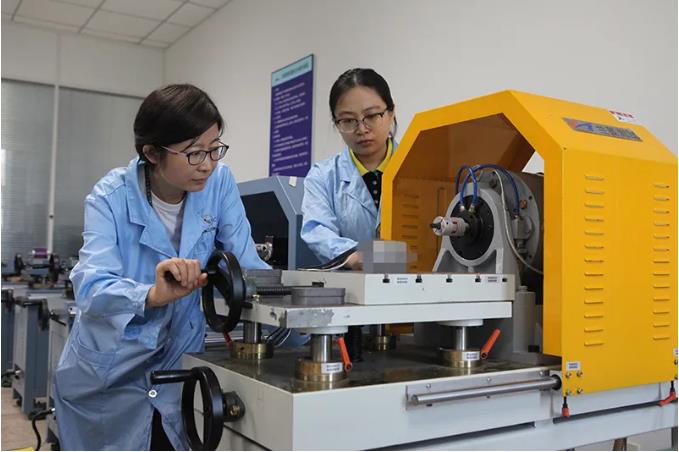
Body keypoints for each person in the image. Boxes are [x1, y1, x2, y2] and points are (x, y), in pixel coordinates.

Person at [53, 84, 268, 450]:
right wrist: (151, 295)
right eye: (194, 153)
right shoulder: (110, 197)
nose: (207, 164)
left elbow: (247, 267)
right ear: (152, 153)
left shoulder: (219, 183)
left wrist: (306, 314)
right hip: (110, 375)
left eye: (214, 148)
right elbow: (90, 286)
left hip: (178, 368)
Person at [301, 68, 397, 270]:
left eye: (372, 115)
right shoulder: (322, 177)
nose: (362, 129)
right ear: (337, 124)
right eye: (348, 121)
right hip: (352, 285)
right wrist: (354, 256)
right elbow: (317, 230)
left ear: (391, 113)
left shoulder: (417, 164)